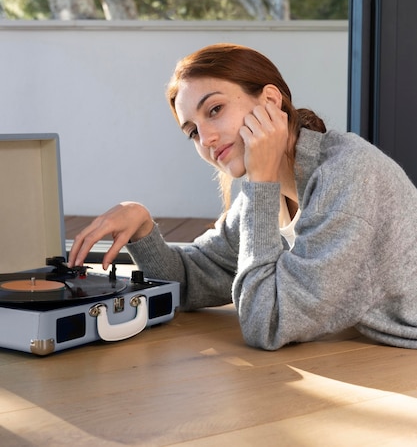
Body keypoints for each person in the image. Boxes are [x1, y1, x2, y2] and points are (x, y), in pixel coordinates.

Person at [69, 43, 417, 351]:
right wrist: (143, 226)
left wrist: (261, 183)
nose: (205, 138)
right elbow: (193, 278)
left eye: (215, 110)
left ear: (269, 101)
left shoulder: (349, 174)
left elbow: (267, 322)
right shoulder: (264, 197)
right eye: (191, 131)